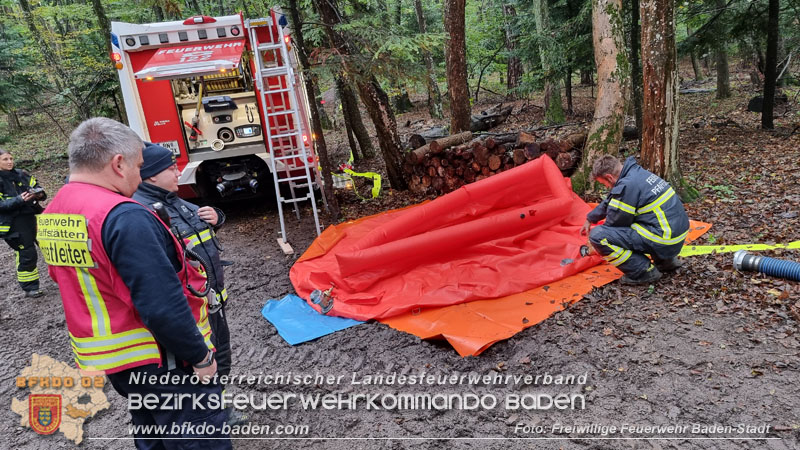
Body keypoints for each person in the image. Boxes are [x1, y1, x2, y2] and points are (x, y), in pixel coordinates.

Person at [39, 118, 231, 449]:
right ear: (117, 163)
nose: (139, 177)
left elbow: (65, 277)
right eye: (139, 166)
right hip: (165, 360)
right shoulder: (123, 215)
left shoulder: (56, 213)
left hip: (119, 364)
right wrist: (199, 357)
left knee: (153, 437)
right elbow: (161, 303)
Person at [132, 143, 232, 378]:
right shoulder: (144, 213)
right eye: (172, 168)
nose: (178, 173)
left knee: (222, 358)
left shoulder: (176, 202)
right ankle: (211, 409)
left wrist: (218, 218)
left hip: (212, 302)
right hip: (188, 313)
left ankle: (221, 405)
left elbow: (201, 237)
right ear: (152, 176)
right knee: (199, 365)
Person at [580, 155, 689, 285]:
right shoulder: (636, 173)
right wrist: (590, 218)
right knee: (642, 221)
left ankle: (643, 271)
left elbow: (615, 223)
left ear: (609, 177)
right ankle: (665, 261)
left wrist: (595, 244)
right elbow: (612, 199)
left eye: (605, 184)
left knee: (598, 236)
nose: (608, 187)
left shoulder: (627, 185)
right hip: (676, 233)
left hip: (665, 239)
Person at [0, 148, 46, 297]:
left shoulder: (22, 174)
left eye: (11, 158)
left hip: (34, 216)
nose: (9, 162)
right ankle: (30, 287)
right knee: (27, 253)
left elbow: (39, 189)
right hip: (14, 223)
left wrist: (38, 194)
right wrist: (19, 200)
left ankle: (63, 278)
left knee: (49, 245)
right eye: (5, 159)